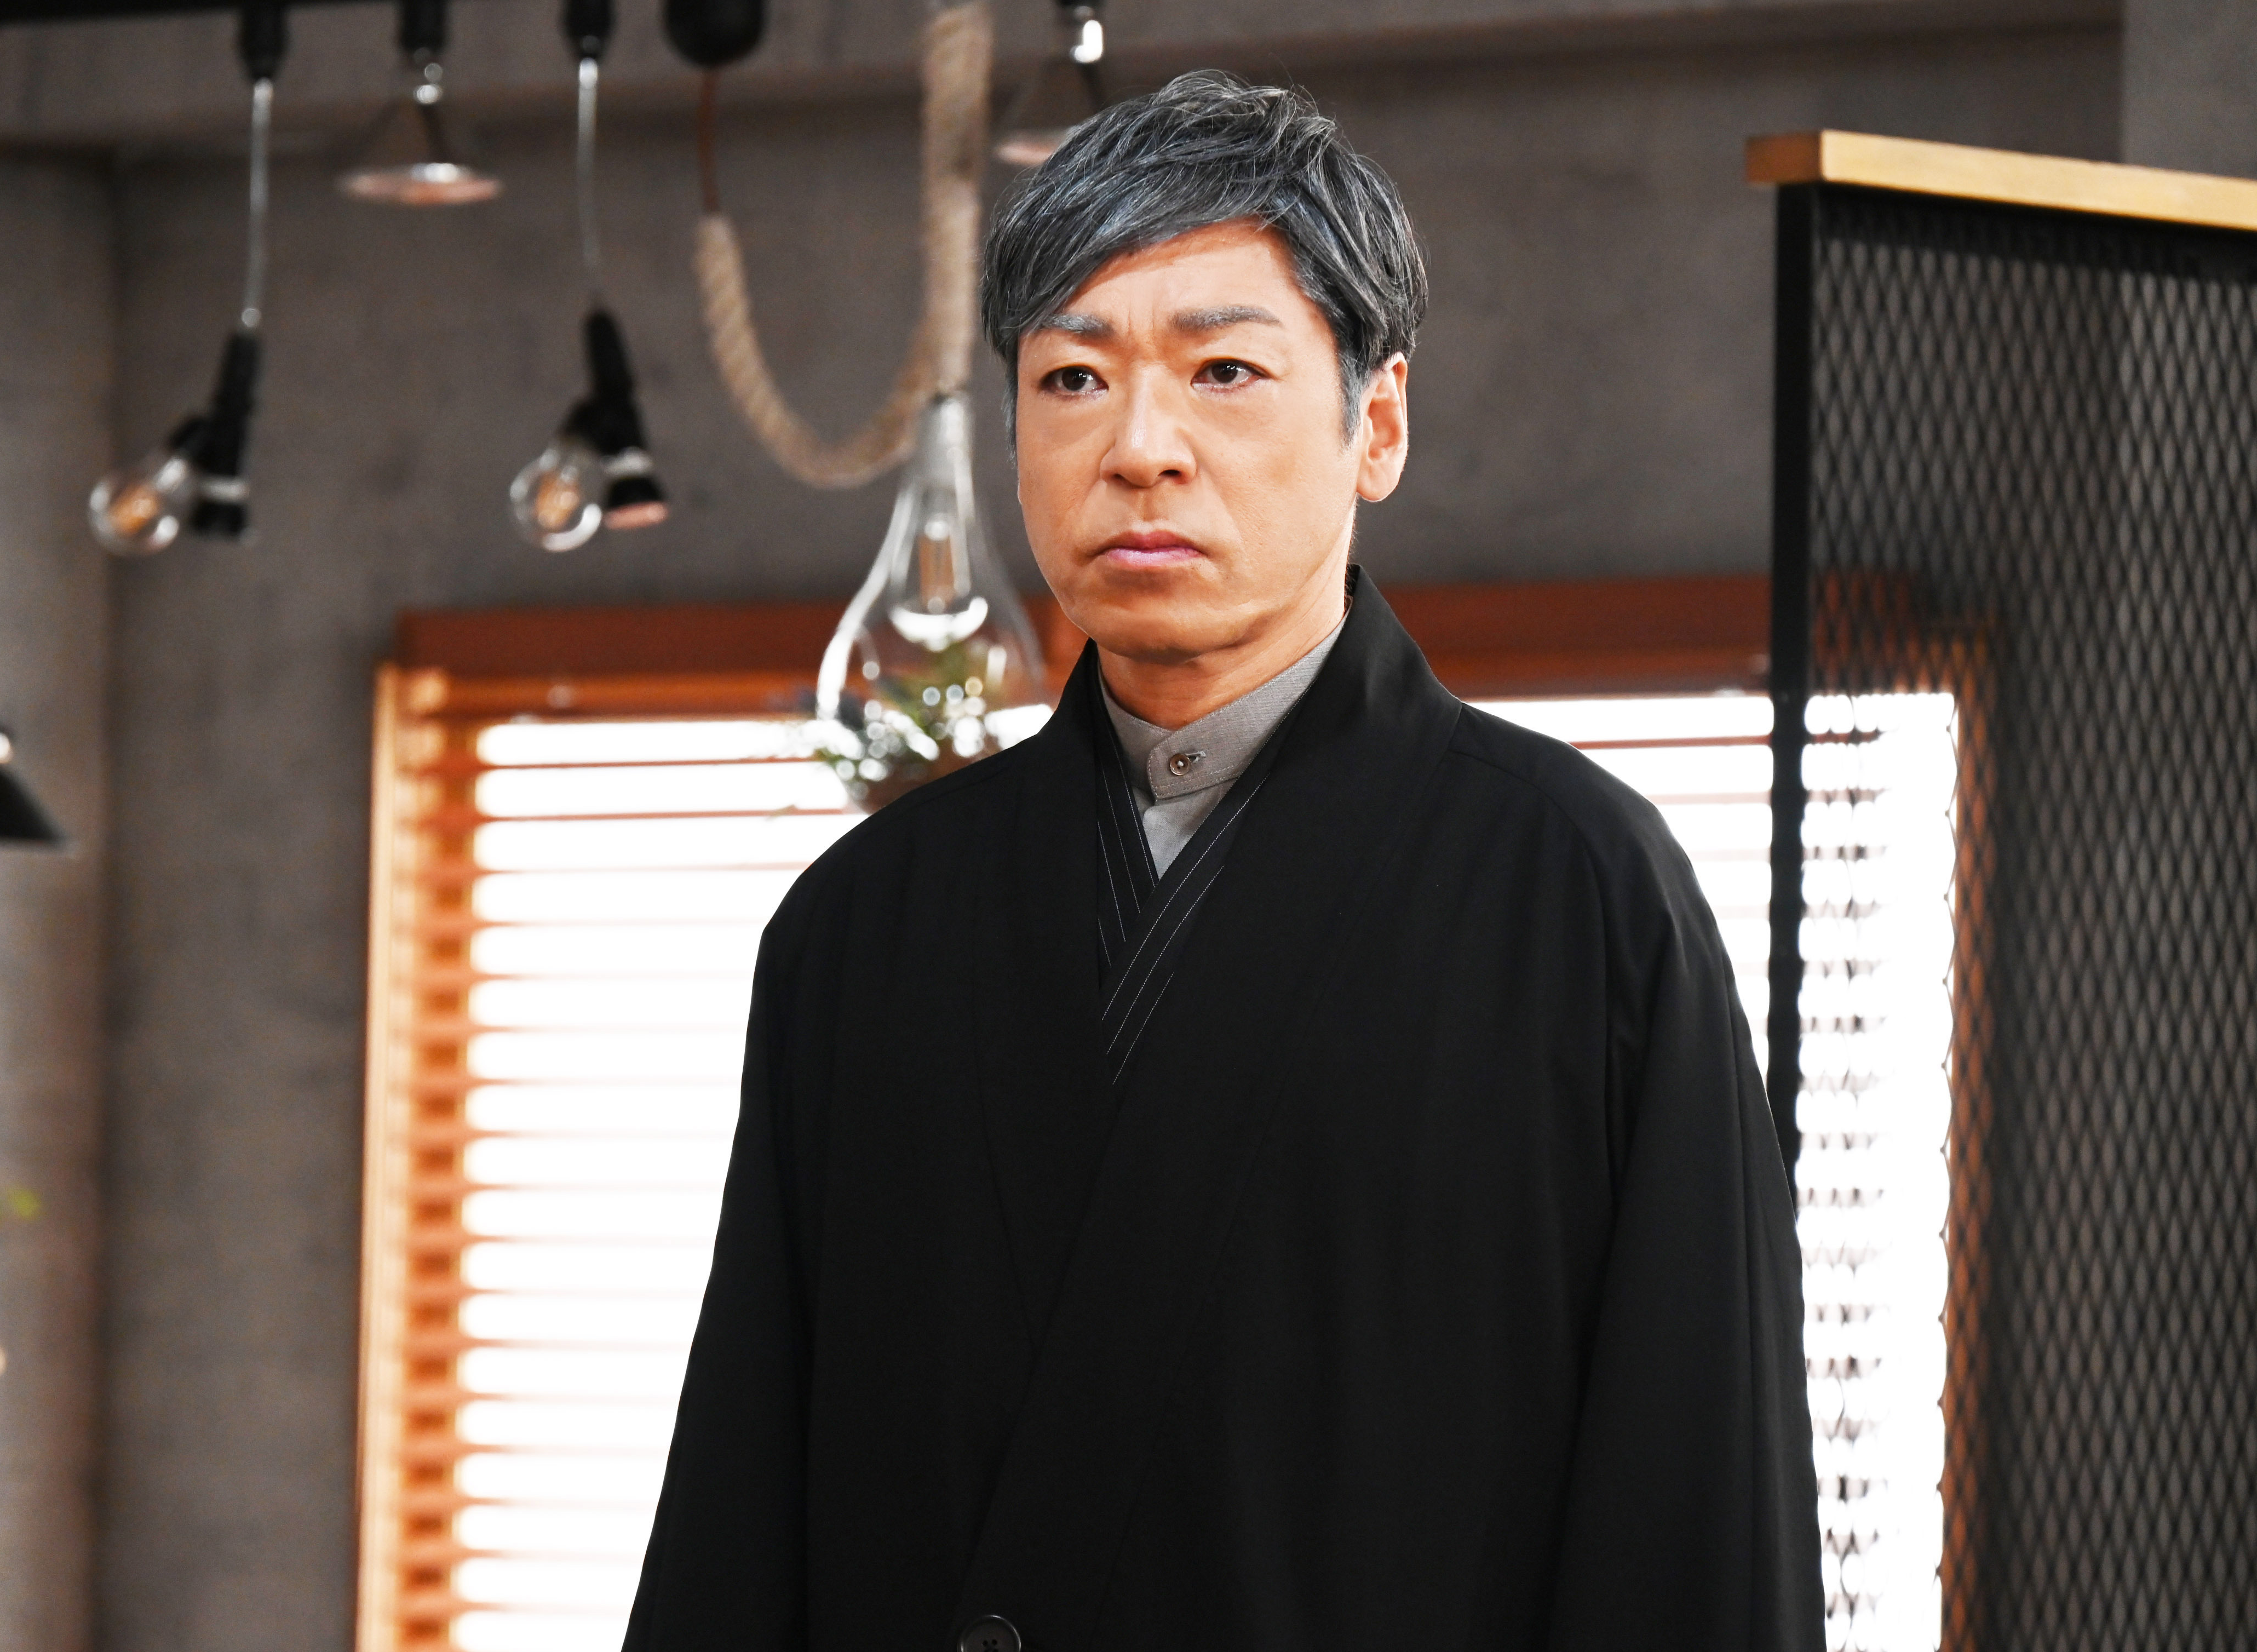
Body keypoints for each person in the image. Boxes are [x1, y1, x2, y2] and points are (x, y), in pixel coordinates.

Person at [625, 71, 1819, 1652]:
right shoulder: (865, 926)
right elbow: (740, 1511)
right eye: (1072, 379)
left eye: (1225, 371)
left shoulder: (1580, 896)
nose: (1140, 448)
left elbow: (1697, 1517)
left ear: (1376, 425)